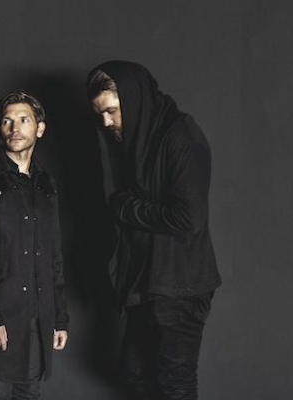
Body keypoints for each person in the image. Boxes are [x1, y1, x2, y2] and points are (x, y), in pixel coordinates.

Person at [87, 61, 222, 400]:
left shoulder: (181, 136)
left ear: (134, 101)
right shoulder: (137, 142)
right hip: (147, 283)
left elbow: (187, 219)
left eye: (112, 111)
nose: (106, 123)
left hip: (180, 284)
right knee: (136, 375)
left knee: (175, 383)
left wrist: (124, 207)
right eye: (100, 114)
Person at [0, 92, 69, 400]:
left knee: (29, 394)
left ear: (40, 128)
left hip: (37, 320)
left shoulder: (46, 184)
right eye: (7, 121)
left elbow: (53, 255)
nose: (14, 128)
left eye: (23, 120)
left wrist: (59, 317)